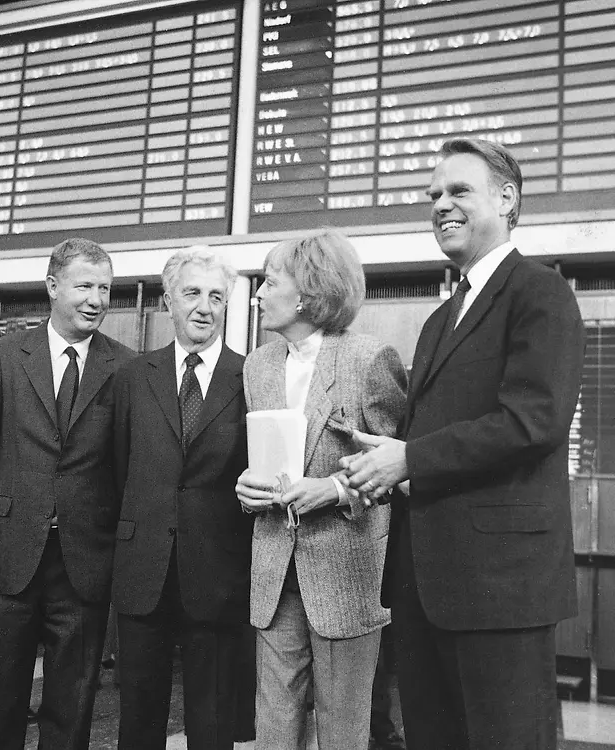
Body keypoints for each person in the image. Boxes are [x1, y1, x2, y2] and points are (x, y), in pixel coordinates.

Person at [343, 138, 585, 749]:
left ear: (507, 200)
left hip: (501, 589)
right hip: (429, 587)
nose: (440, 205)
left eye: (458, 191)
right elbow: (441, 434)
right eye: (433, 196)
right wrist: (390, 455)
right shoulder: (439, 318)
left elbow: (535, 420)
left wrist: (411, 457)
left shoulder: (539, 293)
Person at [0, 237, 134, 750]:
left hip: (85, 563)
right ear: (53, 287)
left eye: (104, 288)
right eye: (84, 286)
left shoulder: (126, 367)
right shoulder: (6, 354)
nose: (96, 298)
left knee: (71, 708)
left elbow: (127, 472)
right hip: (6, 557)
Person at [235, 230, 407, 750]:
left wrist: (333, 488)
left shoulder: (370, 361)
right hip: (272, 570)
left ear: (307, 292)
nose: (258, 295)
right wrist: (247, 487)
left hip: (345, 574)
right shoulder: (257, 365)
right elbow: (262, 461)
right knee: (274, 727)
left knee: (343, 732)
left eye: (269, 282)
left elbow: (391, 469)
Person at [110, 247, 252, 750]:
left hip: (217, 573)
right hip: (142, 568)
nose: (204, 307)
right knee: (138, 720)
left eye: (217, 296)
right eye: (192, 293)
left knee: (212, 724)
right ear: (169, 299)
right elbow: (120, 469)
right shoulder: (131, 377)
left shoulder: (252, 377)